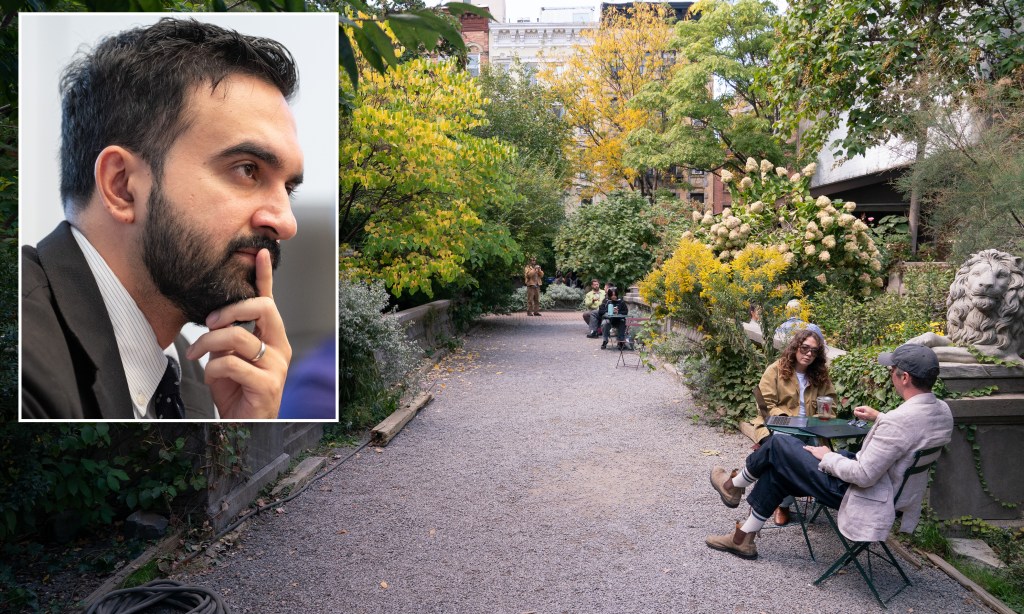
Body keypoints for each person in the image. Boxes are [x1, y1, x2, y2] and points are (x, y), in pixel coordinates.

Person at [21, 18, 304, 420]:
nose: (286, 223)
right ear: (121, 186)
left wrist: (245, 429)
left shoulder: (193, 382)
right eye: (247, 169)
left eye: (288, 188)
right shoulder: (24, 361)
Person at [706, 344, 954, 560]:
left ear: (905, 378)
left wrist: (828, 456)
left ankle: (734, 486)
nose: (890, 374)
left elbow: (862, 475)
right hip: (894, 494)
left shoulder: (898, 423)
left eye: (892, 370)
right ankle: (743, 538)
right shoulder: (942, 412)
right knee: (780, 465)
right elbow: (911, 431)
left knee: (780, 444)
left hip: (861, 493)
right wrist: (880, 417)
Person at [749, 329, 836, 525]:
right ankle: (784, 505)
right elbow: (765, 406)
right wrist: (790, 422)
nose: (809, 354)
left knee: (795, 456)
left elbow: (831, 402)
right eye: (805, 348)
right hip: (776, 428)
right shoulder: (776, 370)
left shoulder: (820, 376)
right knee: (784, 449)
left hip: (811, 430)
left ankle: (746, 477)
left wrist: (827, 412)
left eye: (814, 351)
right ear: (795, 347)